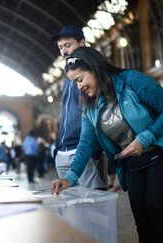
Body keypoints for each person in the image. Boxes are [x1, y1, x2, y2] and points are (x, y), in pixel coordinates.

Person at [51, 47, 163, 243]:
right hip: (134, 164)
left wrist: (144, 139)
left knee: (161, 225)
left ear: (95, 68)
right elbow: (86, 143)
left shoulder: (132, 81)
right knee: (143, 227)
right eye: (75, 83)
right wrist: (70, 178)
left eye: (80, 79)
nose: (79, 87)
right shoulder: (89, 106)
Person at [51, 25, 108, 189]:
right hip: (63, 152)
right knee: (70, 209)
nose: (63, 51)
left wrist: (96, 149)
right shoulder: (68, 77)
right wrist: (58, 149)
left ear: (82, 43)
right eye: (61, 47)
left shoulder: (95, 71)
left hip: (85, 151)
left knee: (95, 208)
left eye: (68, 45)